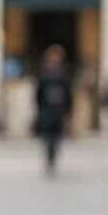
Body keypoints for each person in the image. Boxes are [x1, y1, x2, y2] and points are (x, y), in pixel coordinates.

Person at [33, 44, 73, 174]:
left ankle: (53, 157)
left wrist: (68, 108)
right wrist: (39, 107)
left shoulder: (63, 74)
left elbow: (68, 92)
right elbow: (39, 92)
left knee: (57, 136)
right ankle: (49, 158)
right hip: (47, 109)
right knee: (47, 136)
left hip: (58, 110)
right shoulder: (44, 73)